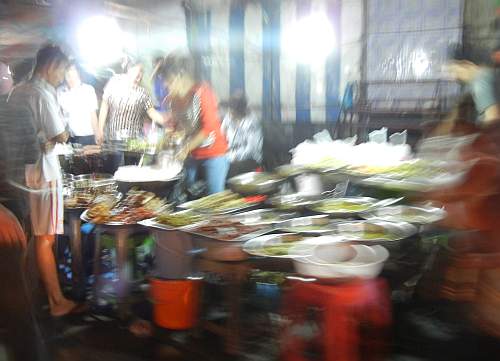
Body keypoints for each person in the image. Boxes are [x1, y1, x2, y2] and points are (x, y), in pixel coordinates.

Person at [7, 45, 84, 318]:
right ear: (50, 66)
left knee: (28, 237)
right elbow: (61, 134)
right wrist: (53, 136)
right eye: (62, 69)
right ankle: (56, 301)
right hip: (43, 176)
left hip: (18, 177)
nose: (63, 76)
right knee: (45, 239)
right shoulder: (41, 92)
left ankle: (29, 296)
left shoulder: (17, 92)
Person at [160, 53, 229, 195]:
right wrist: (170, 136)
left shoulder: (202, 92)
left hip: (213, 154)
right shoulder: (172, 100)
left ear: (180, 77)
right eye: (164, 81)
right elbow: (177, 126)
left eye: (169, 81)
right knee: (188, 195)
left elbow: (208, 128)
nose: (165, 85)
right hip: (192, 154)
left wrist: (184, 150)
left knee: (213, 199)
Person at [97, 57, 166, 144]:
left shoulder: (143, 93)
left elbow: (152, 112)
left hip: (133, 142)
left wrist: (167, 121)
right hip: (114, 139)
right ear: (129, 69)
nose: (140, 75)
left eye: (142, 72)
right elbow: (105, 105)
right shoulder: (114, 82)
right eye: (138, 70)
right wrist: (100, 129)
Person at [446, 44, 500, 125]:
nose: (454, 77)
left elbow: (493, 120)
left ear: (467, 64)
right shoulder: (487, 75)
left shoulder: (480, 81)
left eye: (455, 71)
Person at [221, 91, 263, 178]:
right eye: (229, 108)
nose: (229, 111)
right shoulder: (228, 118)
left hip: (249, 158)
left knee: (230, 168)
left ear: (240, 110)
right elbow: (221, 135)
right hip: (229, 155)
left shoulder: (251, 123)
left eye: (232, 108)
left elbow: (251, 148)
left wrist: (233, 156)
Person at [57, 62, 99, 145]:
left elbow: (92, 114)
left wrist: (97, 134)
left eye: (72, 70)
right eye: (67, 70)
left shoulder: (88, 90)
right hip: (69, 137)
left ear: (78, 72)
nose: (69, 73)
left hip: (87, 136)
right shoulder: (60, 91)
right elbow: (59, 114)